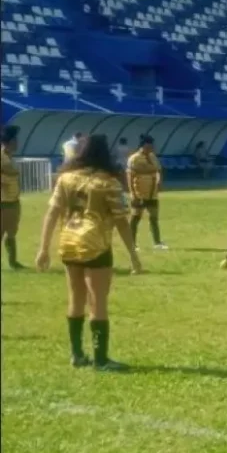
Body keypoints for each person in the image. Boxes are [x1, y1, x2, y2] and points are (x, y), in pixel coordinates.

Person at [35, 134, 142, 369]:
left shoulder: (65, 179)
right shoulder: (109, 183)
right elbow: (122, 221)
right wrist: (133, 256)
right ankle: (101, 359)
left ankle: (77, 355)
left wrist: (43, 248)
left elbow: (52, 213)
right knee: (98, 301)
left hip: (69, 242)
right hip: (96, 244)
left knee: (75, 299)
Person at [126, 134, 168, 250]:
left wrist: (159, 182)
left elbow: (159, 170)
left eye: (152, 147)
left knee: (154, 217)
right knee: (135, 218)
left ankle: (157, 242)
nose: (151, 149)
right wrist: (132, 193)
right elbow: (129, 176)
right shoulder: (134, 159)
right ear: (142, 146)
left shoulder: (153, 157)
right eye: (149, 146)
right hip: (139, 193)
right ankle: (132, 243)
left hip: (152, 193)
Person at [1, 126, 25, 269]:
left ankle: (13, 262)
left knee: (12, 232)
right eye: (15, 140)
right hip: (3, 201)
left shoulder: (10, 157)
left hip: (13, 200)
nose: (17, 143)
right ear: (10, 141)